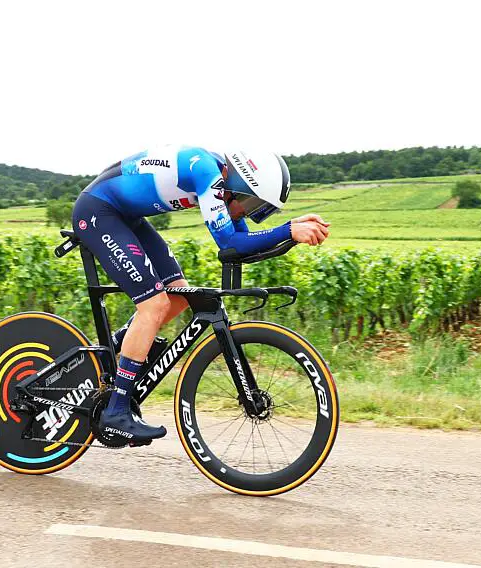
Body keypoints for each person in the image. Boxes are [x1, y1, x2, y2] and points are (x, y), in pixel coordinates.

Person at [72, 146, 330, 444]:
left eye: (259, 209)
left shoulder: (223, 182)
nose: (247, 211)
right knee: (153, 306)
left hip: (124, 217)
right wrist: (288, 230)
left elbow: (243, 246)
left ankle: (113, 350)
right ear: (240, 186)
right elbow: (230, 242)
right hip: (98, 212)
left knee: (180, 295)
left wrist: (293, 230)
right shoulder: (207, 172)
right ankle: (116, 411)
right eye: (252, 202)